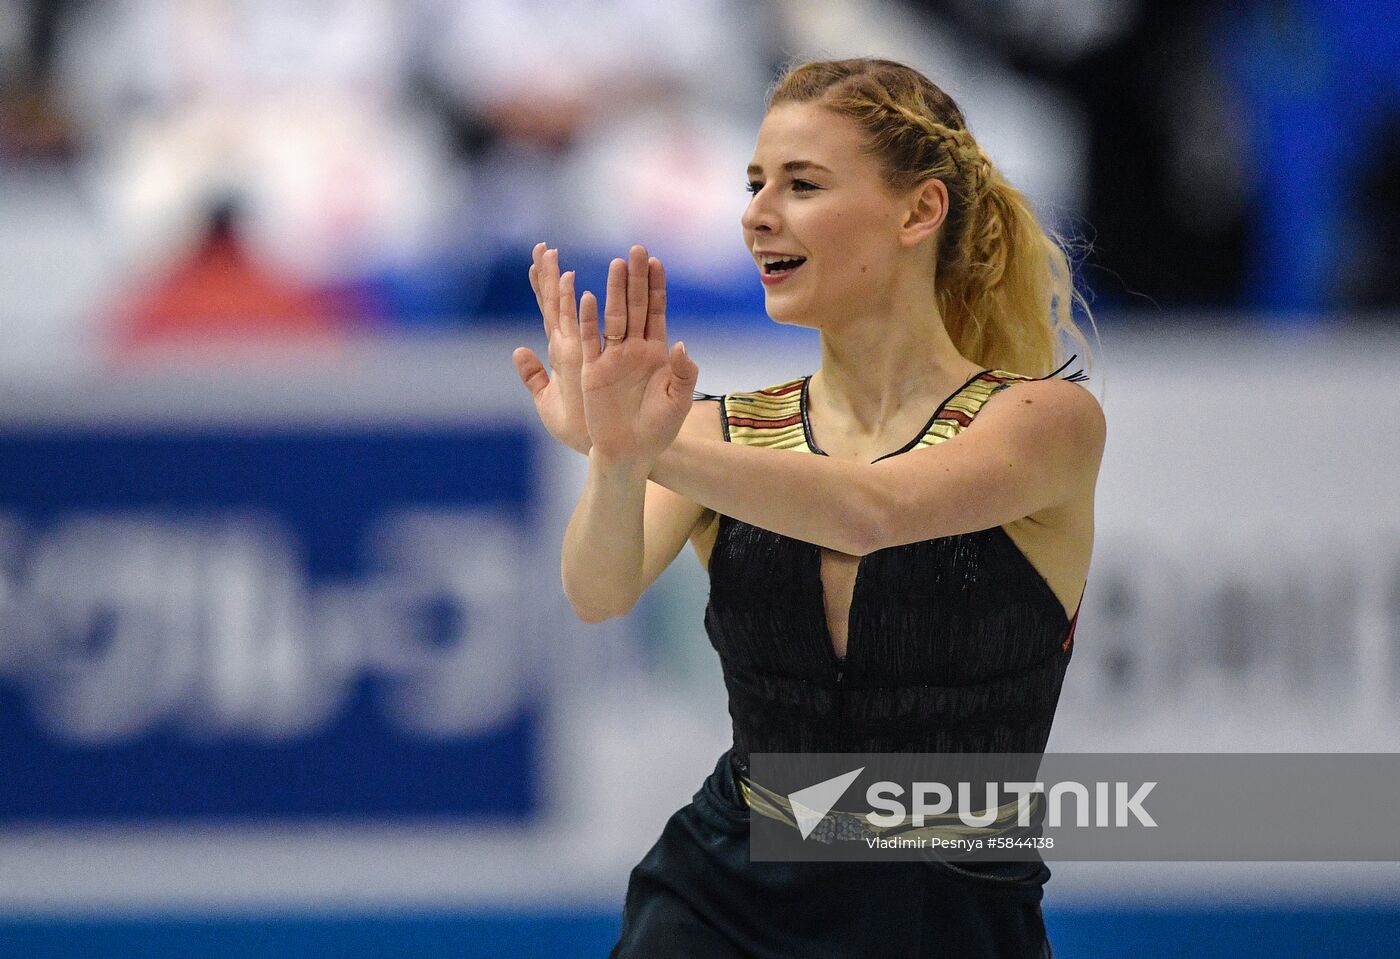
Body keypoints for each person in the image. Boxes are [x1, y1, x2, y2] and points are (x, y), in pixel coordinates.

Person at [512, 57, 1103, 959]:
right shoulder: (720, 433)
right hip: (723, 893)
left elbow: (871, 511)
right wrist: (621, 462)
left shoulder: (1041, 422)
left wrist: (639, 443)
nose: (757, 213)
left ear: (919, 211)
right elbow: (599, 589)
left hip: (949, 910)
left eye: (802, 184)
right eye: (754, 184)